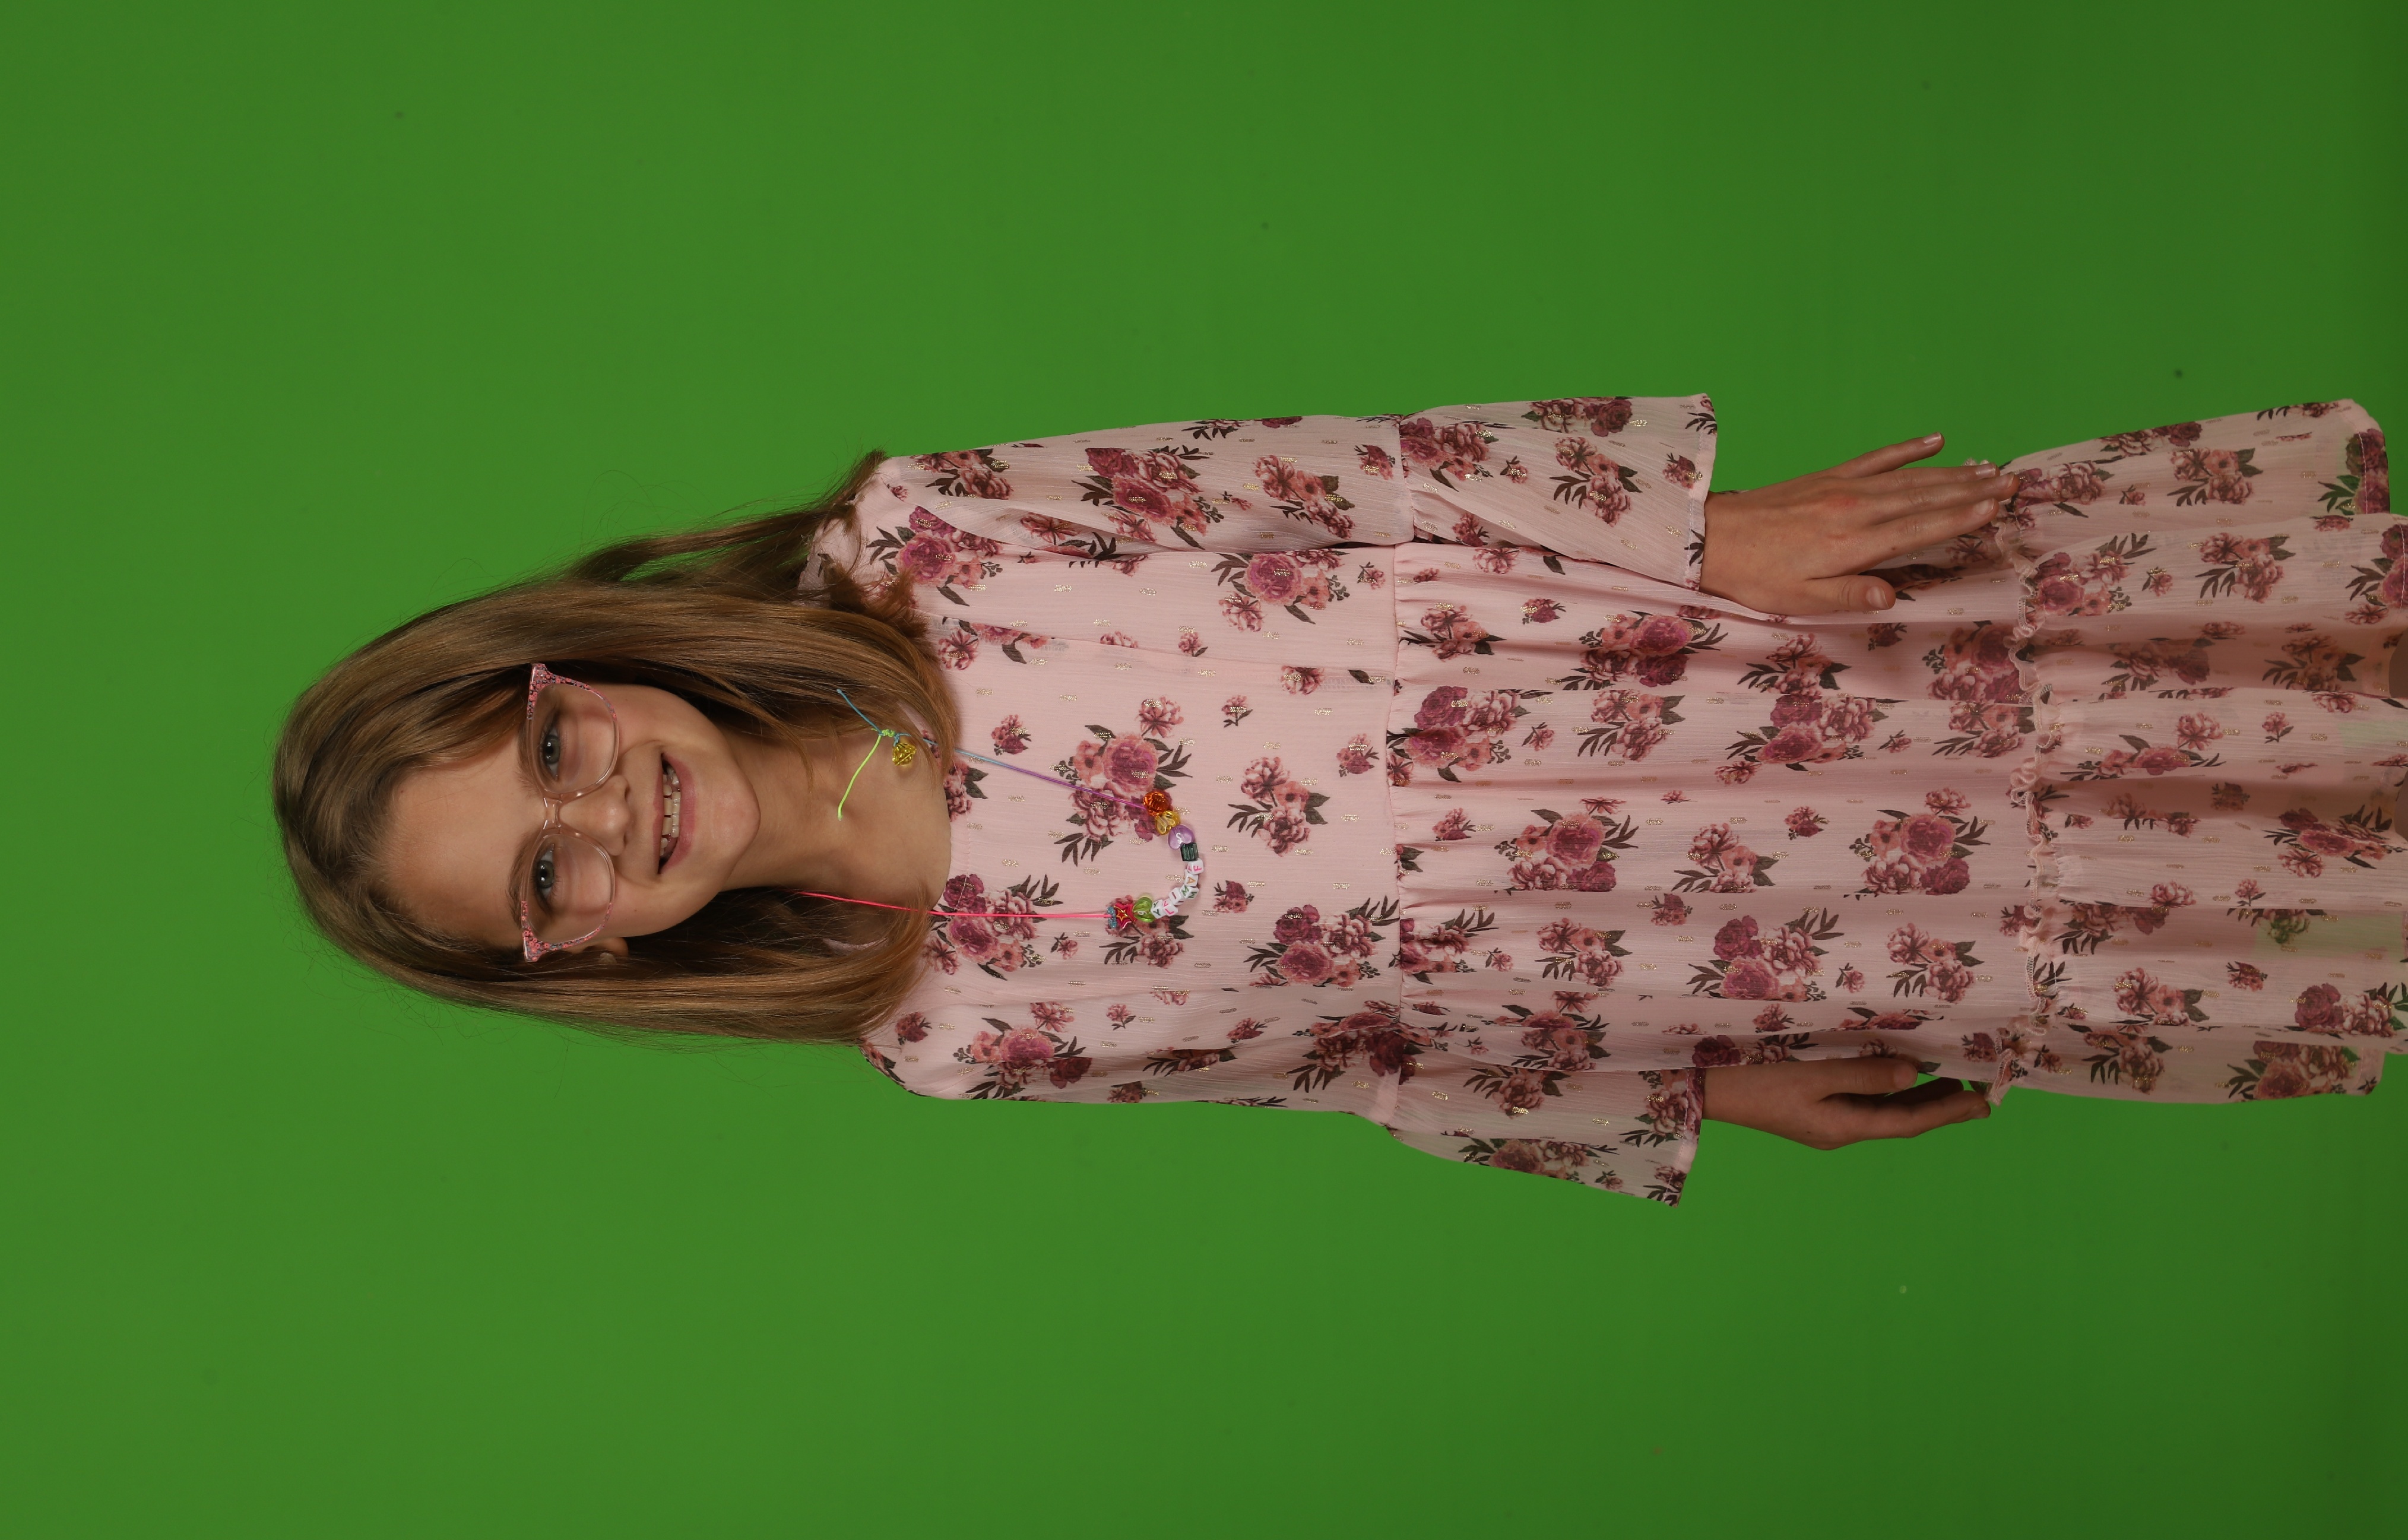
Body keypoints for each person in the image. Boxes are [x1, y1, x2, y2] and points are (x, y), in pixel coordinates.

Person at [275, 394, 2400, 1204]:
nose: (603, 819)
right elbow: (1351, 1058)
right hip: (1721, 926)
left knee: (2238, 687)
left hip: (1688, 660)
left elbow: (1346, 479)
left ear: (573, 663)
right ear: (586, 957)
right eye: (545, 881)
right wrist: (1696, 1093)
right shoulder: (948, 1028)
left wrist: (1698, 533)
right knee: (2221, 878)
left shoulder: (934, 538)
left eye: (546, 752)